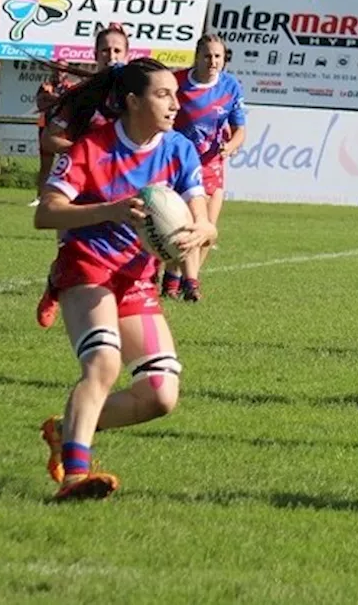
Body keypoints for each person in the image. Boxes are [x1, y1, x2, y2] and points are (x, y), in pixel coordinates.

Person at [34, 57, 216, 500]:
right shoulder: (91, 147)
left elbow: (204, 219)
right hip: (86, 267)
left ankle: (64, 430)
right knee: (103, 363)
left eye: (175, 94)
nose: (175, 104)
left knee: (159, 394)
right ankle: (76, 475)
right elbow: (46, 212)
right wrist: (112, 209)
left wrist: (201, 231)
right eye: (162, 95)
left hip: (135, 276)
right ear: (133, 102)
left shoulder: (179, 149)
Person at [35, 25, 131, 328]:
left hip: (124, 184)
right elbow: (50, 139)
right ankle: (54, 286)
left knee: (127, 253)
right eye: (105, 50)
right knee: (72, 251)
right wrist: (84, 151)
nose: (111, 56)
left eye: (117, 50)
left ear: (128, 54)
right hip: (82, 186)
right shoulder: (81, 96)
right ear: (95, 55)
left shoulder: (136, 94)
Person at [161, 34, 247, 303]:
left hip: (211, 164)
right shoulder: (177, 83)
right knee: (178, 225)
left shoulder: (230, 86)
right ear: (197, 57)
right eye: (207, 56)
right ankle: (182, 282)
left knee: (207, 231)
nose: (213, 61)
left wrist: (231, 146)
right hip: (178, 164)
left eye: (218, 56)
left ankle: (183, 281)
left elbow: (240, 129)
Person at [30, 65, 76, 207]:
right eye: (56, 69)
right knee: (45, 165)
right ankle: (39, 197)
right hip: (46, 127)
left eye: (62, 69)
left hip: (65, 130)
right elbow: (40, 103)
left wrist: (53, 99)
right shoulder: (45, 86)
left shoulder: (71, 87)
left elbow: (71, 103)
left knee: (68, 163)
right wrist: (54, 99)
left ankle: (67, 196)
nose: (59, 72)